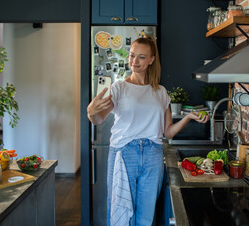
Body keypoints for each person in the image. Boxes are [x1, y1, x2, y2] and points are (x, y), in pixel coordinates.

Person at [87, 36, 210, 226]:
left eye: (141, 57)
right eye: (132, 56)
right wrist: (90, 111)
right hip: (124, 152)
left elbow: (168, 132)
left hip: (153, 154)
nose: (134, 61)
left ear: (152, 59)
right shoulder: (118, 88)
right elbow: (99, 119)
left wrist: (187, 118)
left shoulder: (161, 92)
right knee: (121, 213)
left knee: (145, 218)